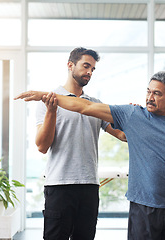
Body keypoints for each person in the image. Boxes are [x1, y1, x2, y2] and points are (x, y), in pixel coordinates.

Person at [15, 71, 165, 240]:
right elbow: (84, 107)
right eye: (148, 91)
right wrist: (44, 96)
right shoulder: (132, 115)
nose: (149, 97)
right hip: (142, 208)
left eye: (157, 93)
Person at [20, 47, 126, 240]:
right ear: (70, 65)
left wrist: (137, 118)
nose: (89, 72)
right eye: (86, 66)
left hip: (89, 187)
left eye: (93, 69)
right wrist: (52, 111)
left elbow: (121, 135)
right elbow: (42, 146)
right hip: (59, 185)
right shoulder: (49, 101)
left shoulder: (94, 104)